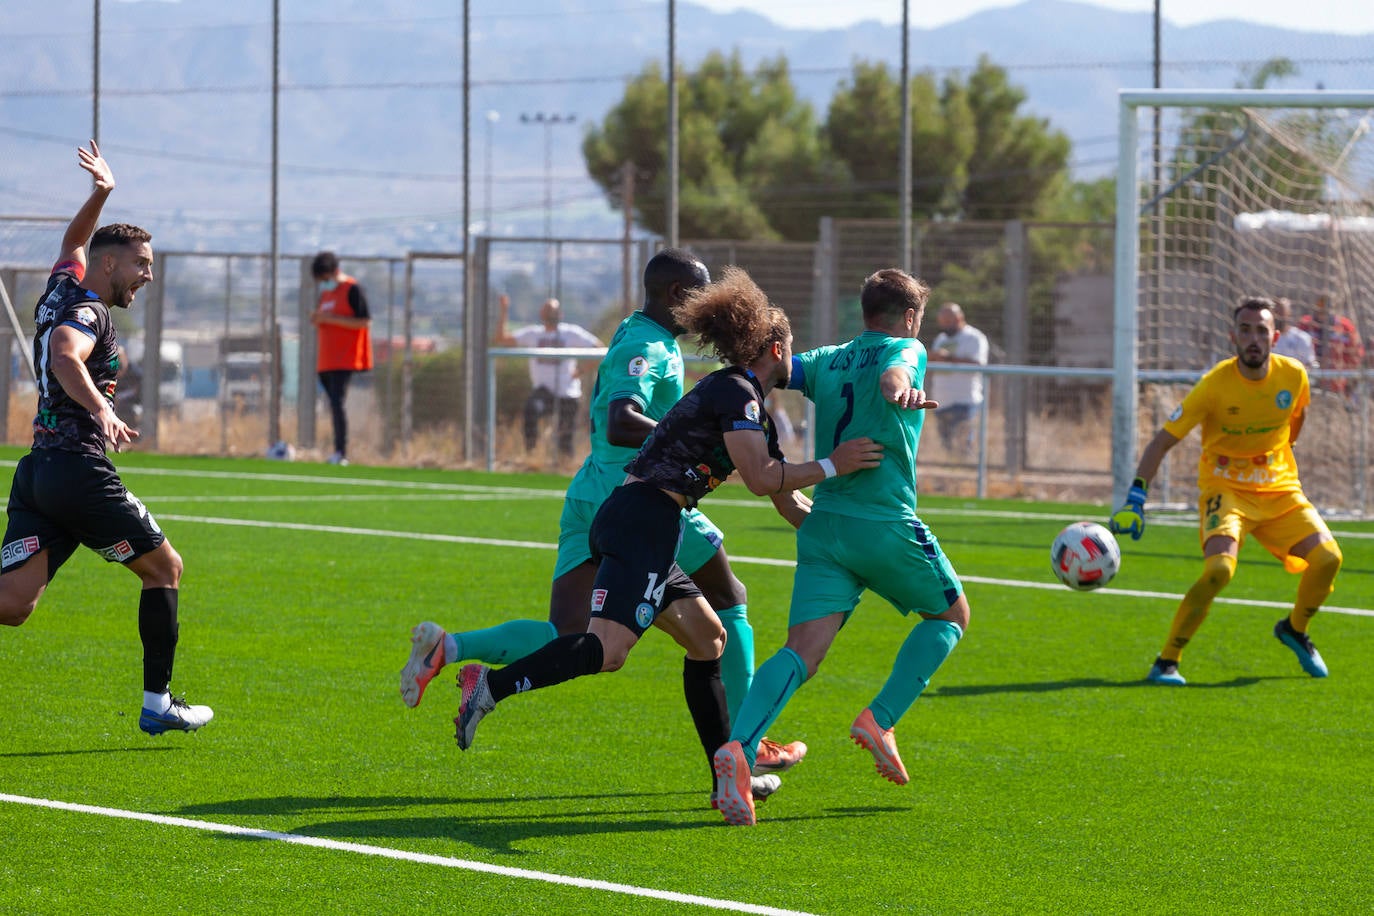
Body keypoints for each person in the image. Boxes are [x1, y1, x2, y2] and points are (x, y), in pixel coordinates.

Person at [451, 267, 883, 803]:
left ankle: (729, 776)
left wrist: (852, 545)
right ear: (776, 348)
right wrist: (833, 464)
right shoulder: (734, 392)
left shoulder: (748, 408)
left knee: (709, 638)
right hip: (641, 520)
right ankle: (488, 687)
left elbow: (784, 496)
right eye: (793, 350)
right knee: (608, 652)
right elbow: (762, 478)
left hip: (647, 520)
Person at [402, 249, 806, 781]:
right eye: (699, 295)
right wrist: (685, 439)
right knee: (727, 598)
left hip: (592, 492)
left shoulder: (639, 333)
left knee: (569, 630)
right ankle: (746, 745)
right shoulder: (649, 346)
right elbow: (621, 420)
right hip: (639, 492)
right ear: (676, 296)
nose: (707, 306)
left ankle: (451, 648)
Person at [712, 268, 967, 827]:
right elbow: (895, 374)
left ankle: (737, 748)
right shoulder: (907, 347)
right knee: (950, 616)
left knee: (801, 650)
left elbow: (776, 367)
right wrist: (899, 387)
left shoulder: (829, 357)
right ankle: (880, 719)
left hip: (824, 526)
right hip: (881, 522)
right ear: (907, 317)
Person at [0, 141, 212, 734]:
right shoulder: (89, 310)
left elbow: (73, 244)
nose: (147, 275)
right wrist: (103, 410)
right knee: (165, 569)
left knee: (13, 605)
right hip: (76, 472)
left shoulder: (61, 287)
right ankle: (157, 703)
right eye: (142, 264)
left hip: (39, 474)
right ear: (112, 264)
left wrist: (101, 193)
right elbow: (67, 356)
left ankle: (158, 702)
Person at [1110, 296, 1343, 686]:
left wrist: (1288, 452)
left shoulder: (1294, 375)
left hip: (1279, 488)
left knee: (1329, 559)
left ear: (1276, 337)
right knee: (1219, 570)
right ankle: (1167, 661)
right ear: (1233, 336)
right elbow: (1162, 442)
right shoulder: (1215, 384)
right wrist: (1136, 497)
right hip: (1226, 488)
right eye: (1246, 330)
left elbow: (1298, 415)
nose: (1254, 338)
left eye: (1262, 331)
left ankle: (1294, 629)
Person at [494, 295, 602, 457]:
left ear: (561, 314)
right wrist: (504, 310)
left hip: (567, 392)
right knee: (531, 411)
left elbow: (599, 349)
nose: (550, 314)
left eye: (553, 311)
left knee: (565, 438)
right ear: (541, 313)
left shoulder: (571, 333)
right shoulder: (533, 334)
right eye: (547, 310)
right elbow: (502, 339)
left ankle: (565, 466)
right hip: (544, 392)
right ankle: (532, 454)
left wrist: (580, 371)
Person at [310, 251, 373, 466]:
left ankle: (341, 452)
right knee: (332, 404)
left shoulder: (352, 289)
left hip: (345, 358)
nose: (324, 284)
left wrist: (331, 319)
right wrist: (319, 319)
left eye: (326, 279)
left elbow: (364, 321)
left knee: (338, 403)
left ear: (335, 272)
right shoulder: (326, 295)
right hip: (326, 358)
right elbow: (325, 318)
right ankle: (336, 450)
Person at [927, 302, 988, 452]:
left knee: (963, 447)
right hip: (941, 401)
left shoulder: (974, 337)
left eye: (948, 322)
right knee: (947, 448)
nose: (945, 326)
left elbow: (978, 364)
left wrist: (948, 357)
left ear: (959, 318)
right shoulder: (941, 339)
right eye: (942, 322)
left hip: (964, 401)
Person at [1298, 295, 1363, 398]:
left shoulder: (1345, 326)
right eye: (1320, 311)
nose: (1323, 315)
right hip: (1310, 382)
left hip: (1337, 382)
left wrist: (1349, 379)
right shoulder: (1306, 324)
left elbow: (1356, 354)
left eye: (1326, 310)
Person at [1271, 297, 1317, 370]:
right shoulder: (1266, 338)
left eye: (1281, 312)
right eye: (1276, 311)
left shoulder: (1302, 338)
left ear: (1288, 313)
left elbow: (1309, 365)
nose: (1278, 316)